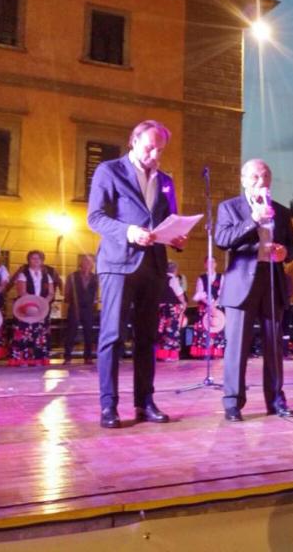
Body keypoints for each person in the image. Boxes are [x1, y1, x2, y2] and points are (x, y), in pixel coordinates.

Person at [87, 119, 186, 429]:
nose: (155, 155)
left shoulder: (165, 180)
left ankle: (145, 402)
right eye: (150, 147)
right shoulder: (109, 171)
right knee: (113, 336)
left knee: (147, 337)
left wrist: (176, 237)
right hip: (118, 263)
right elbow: (95, 217)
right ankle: (109, 406)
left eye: (160, 150)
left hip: (153, 266)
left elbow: (169, 219)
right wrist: (129, 231)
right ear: (134, 141)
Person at [215, 158, 293, 422]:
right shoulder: (230, 207)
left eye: (265, 176)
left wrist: (285, 253)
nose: (261, 181)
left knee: (274, 346)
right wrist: (253, 219)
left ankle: (276, 401)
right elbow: (223, 240)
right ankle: (232, 403)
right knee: (237, 347)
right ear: (243, 180)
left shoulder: (281, 212)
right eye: (255, 177)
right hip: (241, 283)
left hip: (272, 280)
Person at [10, 250, 55, 366]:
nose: (36, 261)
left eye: (38, 258)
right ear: (28, 260)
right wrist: (33, 304)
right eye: (33, 258)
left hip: (41, 309)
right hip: (27, 307)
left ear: (42, 261)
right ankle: (23, 360)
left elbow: (51, 293)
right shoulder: (23, 274)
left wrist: (43, 303)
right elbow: (22, 292)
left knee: (39, 334)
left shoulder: (47, 276)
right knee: (25, 334)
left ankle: (38, 359)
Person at [63, 254, 99, 364]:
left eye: (90, 261)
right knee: (71, 332)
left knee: (88, 333)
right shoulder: (72, 276)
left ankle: (88, 357)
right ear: (81, 263)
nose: (88, 263)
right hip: (75, 307)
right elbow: (67, 293)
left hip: (88, 308)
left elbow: (96, 293)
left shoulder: (95, 277)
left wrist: (94, 302)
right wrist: (71, 301)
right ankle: (67, 357)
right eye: (86, 261)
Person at [189, 256, 226, 359]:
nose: (211, 264)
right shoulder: (201, 278)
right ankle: (203, 352)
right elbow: (199, 293)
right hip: (204, 306)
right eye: (209, 262)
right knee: (203, 329)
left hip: (217, 306)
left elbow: (223, 292)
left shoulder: (221, 277)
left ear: (216, 264)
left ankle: (216, 352)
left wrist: (215, 304)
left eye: (213, 262)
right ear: (205, 265)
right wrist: (209, 303)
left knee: (216, 327)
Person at [155, 261, 186, 362]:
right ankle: (170, 355)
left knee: (162, 330)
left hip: (161, 308)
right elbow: (179, 293)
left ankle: (161, 354)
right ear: (175, 270)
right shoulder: (173, 279)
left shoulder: (159, 279)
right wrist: (184, 302)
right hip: (171, 308)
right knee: (172, 330)